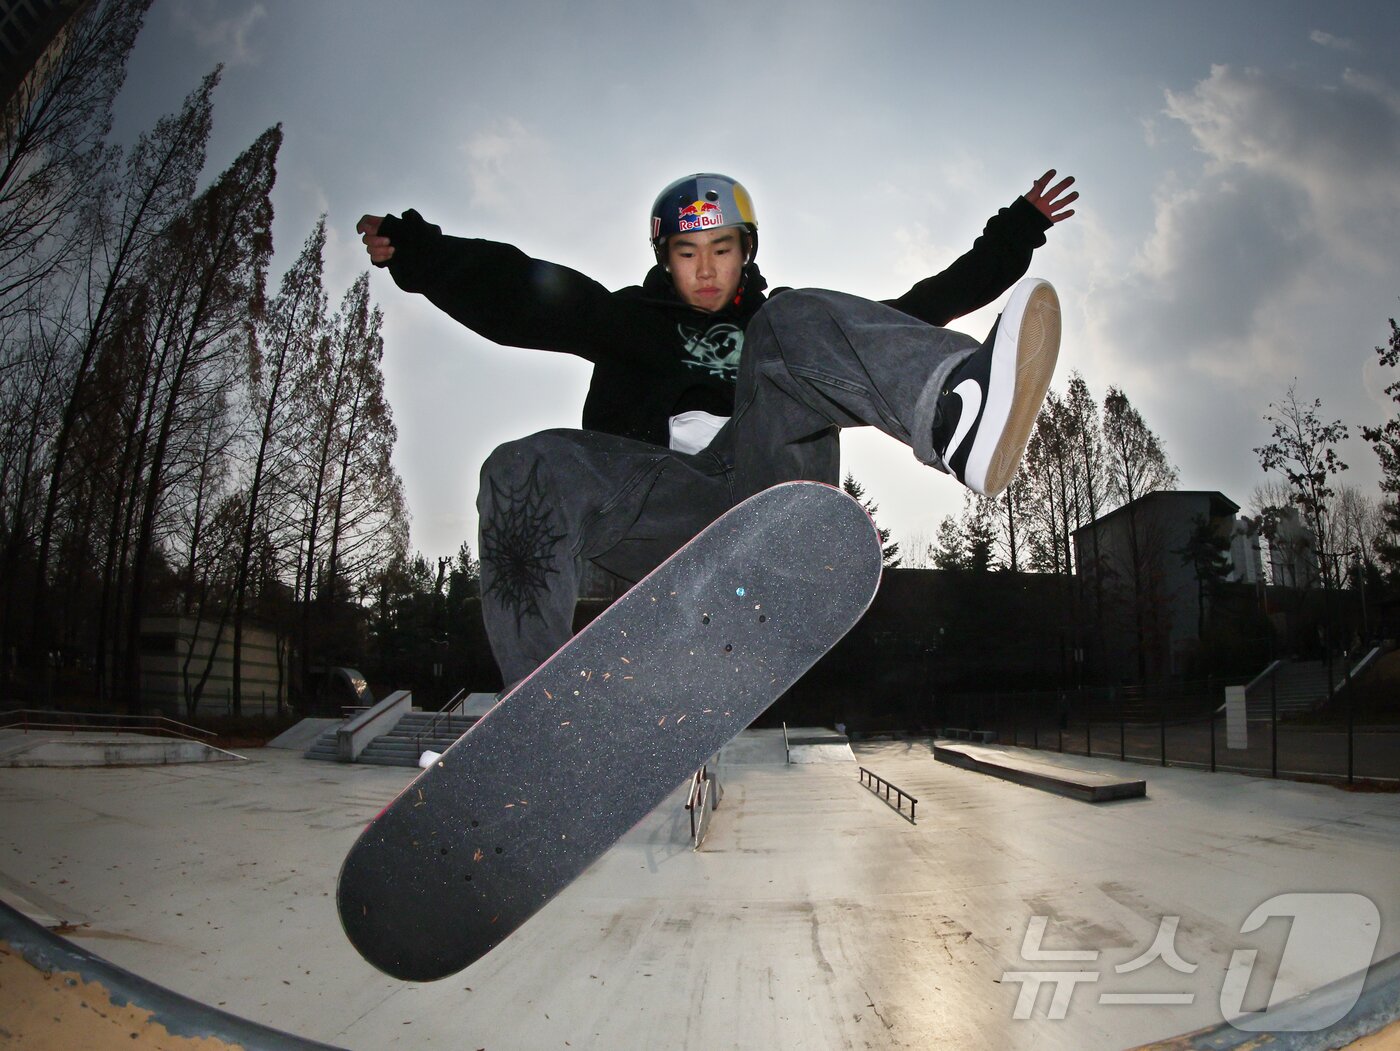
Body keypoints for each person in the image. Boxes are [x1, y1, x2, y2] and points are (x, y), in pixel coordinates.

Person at [358, 170, 1077, 686]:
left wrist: (1014, 232)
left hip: (768, 495)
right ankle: (541, 709)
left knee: (793, 317)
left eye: (722, 250)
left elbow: (916, 308)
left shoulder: (779, 328)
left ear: (745, 252)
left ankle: (955, 414)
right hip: (658, 516)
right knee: (520, 467)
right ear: (664, 258)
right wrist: (423, 254)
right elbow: (524, 293)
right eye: (687, 253)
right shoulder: (627, 319)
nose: (705, 271)